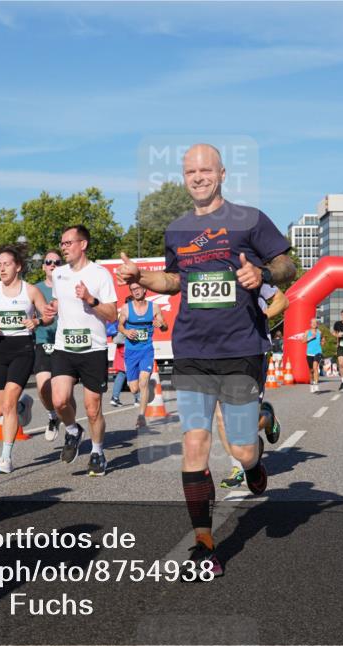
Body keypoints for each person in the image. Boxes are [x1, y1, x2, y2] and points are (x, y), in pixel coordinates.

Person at [116, 143, 295, 577]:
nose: (198, 177)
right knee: (195, 443)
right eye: (190, 172)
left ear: (222, 174)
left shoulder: (250, 219)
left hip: (240, 348)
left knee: (241, 448)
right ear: (184, 177)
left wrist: (262, 273)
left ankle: (256, 449)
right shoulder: (177, 229)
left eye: (206, 170)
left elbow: (287, 266)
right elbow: (174, 280)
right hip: (192, 349)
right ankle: (204, 544)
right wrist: (142, 277)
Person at [43, 225, 118, 477]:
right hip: (64, 346)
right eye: (62, 244)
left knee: (92, 408)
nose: (63, 248)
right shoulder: (59, 274)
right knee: (59, 400)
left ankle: (97, 452)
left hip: (93, 348)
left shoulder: (100, 274)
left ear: (83, 244)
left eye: (68, 243)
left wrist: (90, 299)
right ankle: (73, 430)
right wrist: (52, 309)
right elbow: (59, 302)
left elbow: (112, 314)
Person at [0, 244, 51, 474]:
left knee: (8, 403)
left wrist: (37, 321)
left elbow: (48, 316)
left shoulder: (30, 291)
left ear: (18, 266)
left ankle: (5, 458)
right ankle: (24, 405)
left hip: (23, 348)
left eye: (7, 264)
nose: (2, 269)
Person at [219, 283, 287, 489]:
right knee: (222, 415)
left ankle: (267, 417)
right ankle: (237, 467)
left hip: (253, 351)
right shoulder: (211, 274)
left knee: (246, 421)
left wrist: (261, 317)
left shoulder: (251, 274)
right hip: (220, 352)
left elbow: (282, 300)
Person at [119, 282, 167, 429]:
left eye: (138, 288)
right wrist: (126, 332)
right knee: (134, 389)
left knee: (144, 381)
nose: (136, 291)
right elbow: (120, 325)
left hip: (146, 350)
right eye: (133, 289)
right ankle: (150, 388)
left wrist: (161, 325)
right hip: (131, 351)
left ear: (144, 289)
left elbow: (165, 326)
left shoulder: (154, 307)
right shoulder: (126, 308)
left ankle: (141, 416)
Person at [32, 249, 63, 441]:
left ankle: (71, 428)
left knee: (63, 393)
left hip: (65, 343)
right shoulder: (34, 289)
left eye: (57, 262)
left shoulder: (69, 287)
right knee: (43, 386)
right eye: (49, 262)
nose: (53, 265)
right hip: (43, 342)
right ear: (43, 266)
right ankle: (53, 416)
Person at [305, 318, 322, 393]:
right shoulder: (307, 332)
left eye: (315, 323)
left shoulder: (319, 332)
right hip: (309, 353)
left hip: (318, 352)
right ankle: (312, 384)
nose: (314, 324)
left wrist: (322, 342)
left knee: (315, 368)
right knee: (311, 371)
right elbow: (303, 341)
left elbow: (322, 340)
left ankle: (316, 385)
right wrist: (310, 338)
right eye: (313, 323)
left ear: (317, 324)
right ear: (310, 324)